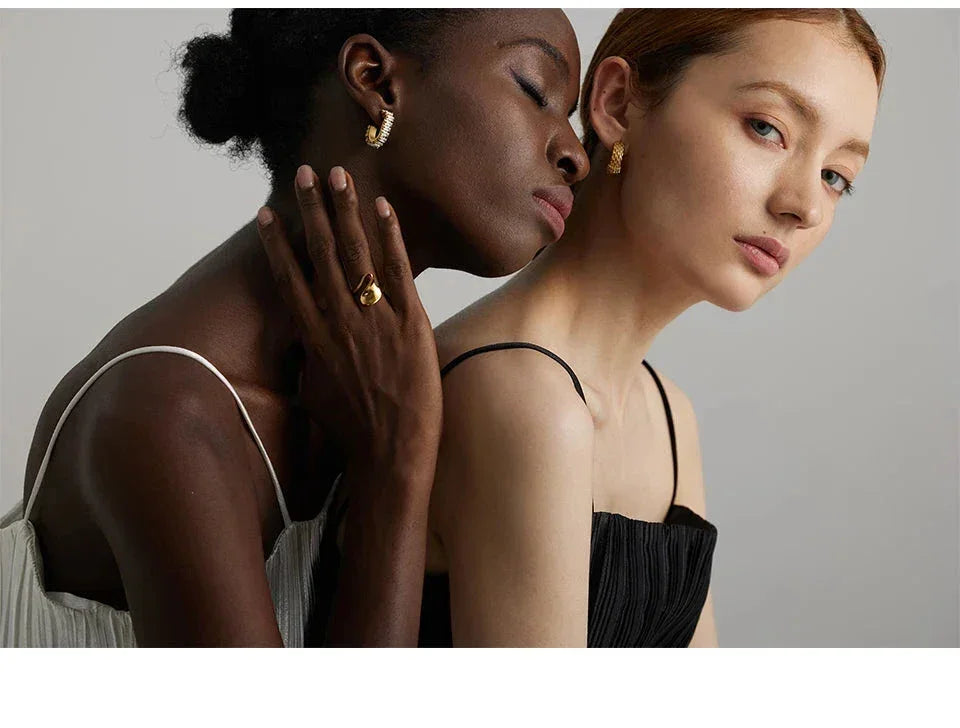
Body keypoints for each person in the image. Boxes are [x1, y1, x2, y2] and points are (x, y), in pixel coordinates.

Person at [0, 9, 588, 647]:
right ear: (376, 81)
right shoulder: (168, 413)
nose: (576, 153)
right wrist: (395, 465)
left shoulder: (383, 384)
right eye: (535, 90)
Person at [319, 8, 885, 647]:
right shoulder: (519, 395)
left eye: (837, 176)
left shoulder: (669, 414)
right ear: (616, 102)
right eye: (767, 128)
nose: (804, 205)